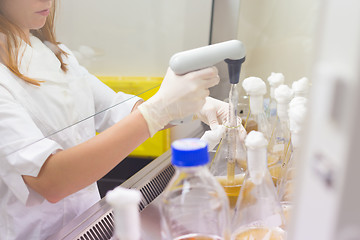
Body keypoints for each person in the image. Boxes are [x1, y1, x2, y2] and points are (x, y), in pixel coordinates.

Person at [0, 0, 238, 239]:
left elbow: (116, 109)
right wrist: (160, 109)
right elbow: (50, 180)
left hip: (86, 227)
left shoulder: (56, 55)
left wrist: (194, 105)